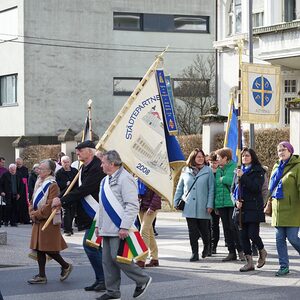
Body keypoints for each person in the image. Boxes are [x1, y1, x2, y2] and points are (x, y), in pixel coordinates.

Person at [95, 150, 152, 300]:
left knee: (119, 258)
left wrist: (125, 226)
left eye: (103, 162)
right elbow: (101, 205)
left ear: (112, 164)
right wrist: (97, 225)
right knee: (107, 261)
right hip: (106, 227)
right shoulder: (104, 180)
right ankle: (112, 292)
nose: (101, 165)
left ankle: (142, 279)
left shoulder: (126, 179)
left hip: (119, 226)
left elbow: (132, 205)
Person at [52, 140, 106, 292]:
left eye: (80, 150)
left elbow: (84, 189)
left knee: (90, 246)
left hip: (97, 214)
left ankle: (105, 279)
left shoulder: (97, 168)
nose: (77, 153)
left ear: (90, 151)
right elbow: (72, 187)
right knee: (95, 248)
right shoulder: (84, 167)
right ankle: (102, 279)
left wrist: (62, 200)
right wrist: (59, 198)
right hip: (88, 215)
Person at [28, 159, 72, 284]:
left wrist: (36, 214)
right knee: (39, 248)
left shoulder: (52, 185)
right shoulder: (39, 182)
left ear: (49, 171)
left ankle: (65, 266)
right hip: (38, 219)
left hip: (48, 220)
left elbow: (49, 206)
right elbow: (32, 200)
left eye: (41, 169)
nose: (38, 171)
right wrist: (31, 211)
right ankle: (42, 275)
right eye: (39, 168)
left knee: (47, 248)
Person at [174, 148, 214, 262]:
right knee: (192, 231)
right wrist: (176, 201)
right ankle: (194, 253)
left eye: (202, 157)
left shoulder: (208, 170)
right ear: (193, 158)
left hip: (203, 205)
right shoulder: (185, 171)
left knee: (204, 231)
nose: (201, 159)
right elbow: (180, 187)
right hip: (189, 205)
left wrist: (210, 204)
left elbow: (211, 189)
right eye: (198, 157)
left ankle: (207, 246)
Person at [232, 148, 267, 272]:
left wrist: (244, 176)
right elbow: (233, 190)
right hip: (240, 210)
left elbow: (256, 188)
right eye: (243, 156)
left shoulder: (259, 171)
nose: (245, 158)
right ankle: (249, 262)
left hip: (253, 208)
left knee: (253, 234)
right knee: (243, 236)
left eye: (247, 155)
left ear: (252, 157)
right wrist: (236, 202)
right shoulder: (238, 171)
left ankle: (262, 251)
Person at [269, 141, 300, 276]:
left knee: (293, 238)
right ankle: (283, 266)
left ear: (290, 151)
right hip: (278, 208)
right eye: (279, 150)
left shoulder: (297, 167)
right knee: (279, 239)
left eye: (283, 150)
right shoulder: (276, 166)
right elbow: (271, 187)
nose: (281, 152)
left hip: (293, 209)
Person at [214, 147, 244, 262]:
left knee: (234, 227)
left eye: (218, 157)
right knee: (226, 228)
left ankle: (240, 250)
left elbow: (233, 181)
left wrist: (223, 179)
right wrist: (215, 204)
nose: (217, 159)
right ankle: (231, 252)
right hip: (221, 204)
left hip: (231, 203)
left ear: (225, 158)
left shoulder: (234, 167)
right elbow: (216, 188)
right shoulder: (218, 169)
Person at [136, 179, 161, 268]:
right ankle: (154, 258)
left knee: (143, 231)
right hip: (141, 206)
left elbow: (158, 192)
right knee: (149, 233)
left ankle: (141, 259)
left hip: (151, 207)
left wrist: (152, 207)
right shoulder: (139, 176)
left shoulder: (154, 175)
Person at [55, 156, 78, 236]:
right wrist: (65, 183)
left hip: (74, 194)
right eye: (64, 162)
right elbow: (57, 183)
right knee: (66, 212)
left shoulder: (75, 171)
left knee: (72, 213)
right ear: (61, 163)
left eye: (67, 162)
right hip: (64, 195)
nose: (66, 164)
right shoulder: (59, 172)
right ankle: (67, 230)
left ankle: (70, 228)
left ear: (70, 162)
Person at [207, 152, 221, 254]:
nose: (213, 164)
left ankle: (214, 245)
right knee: (208, 224)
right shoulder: (206, 171)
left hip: (219, 201)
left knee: (215, 225)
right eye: (211, 162)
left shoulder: (221, 171)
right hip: (208, 201)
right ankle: (208, 244)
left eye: (215, 162)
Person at [15, 157, 30, 224]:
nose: (19, 166)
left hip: (24, 189)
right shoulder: (14, 169)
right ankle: (17, 219)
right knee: (17, 205)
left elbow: (26, 178)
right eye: (17, 164)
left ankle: (25, 219)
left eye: (20, 164)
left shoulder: (25, 169)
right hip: (16, 188)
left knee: (24, 205)